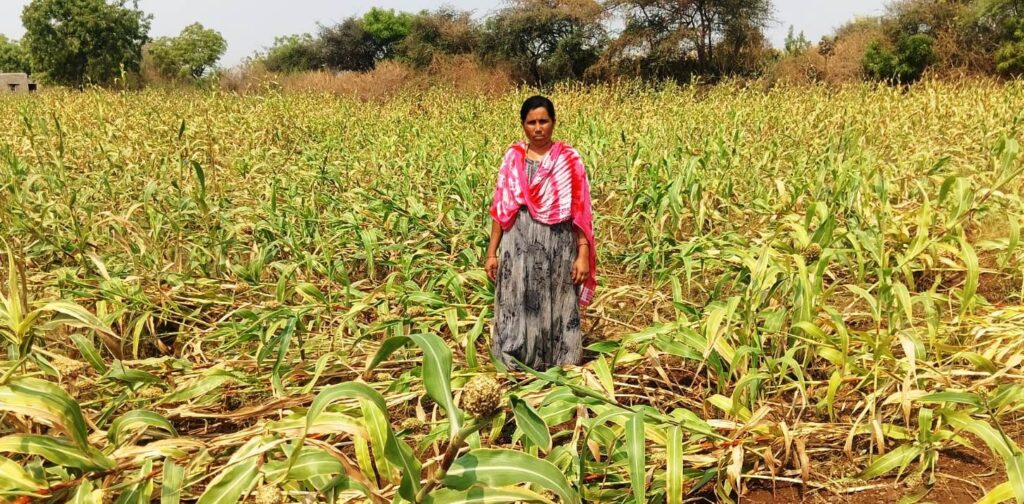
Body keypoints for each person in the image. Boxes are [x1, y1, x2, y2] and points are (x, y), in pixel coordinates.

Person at [485, 95, 597, 370]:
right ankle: (515, 362)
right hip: (517, 245)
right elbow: (501, 207)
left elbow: (580, 211)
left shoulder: (569, 160)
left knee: (558, 299)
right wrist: (491, 253)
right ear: (523, 125)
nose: (538, 128)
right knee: (516, 299)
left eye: (543, 121)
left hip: (558, 245)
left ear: (553, 122)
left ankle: (561, 362)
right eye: (531, 122)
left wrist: (583, 254)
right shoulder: (513, 158)